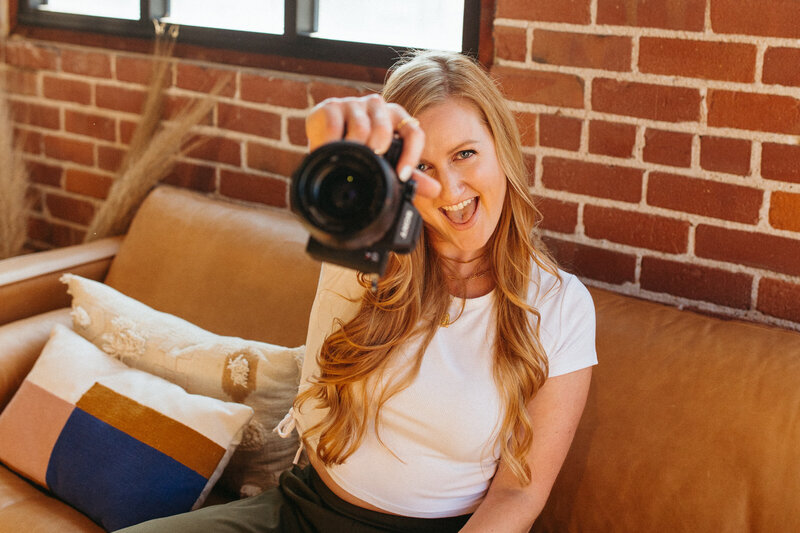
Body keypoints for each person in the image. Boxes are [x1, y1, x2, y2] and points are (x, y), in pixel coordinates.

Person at [117, 50, 596, 533]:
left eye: (465, 154)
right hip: (300, 511)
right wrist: (332, 141)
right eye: (423, 168)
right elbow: (330, 190)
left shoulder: (560, 306)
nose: (451, 189)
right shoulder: (371, 249)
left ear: (502, 151)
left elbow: (520, 492)